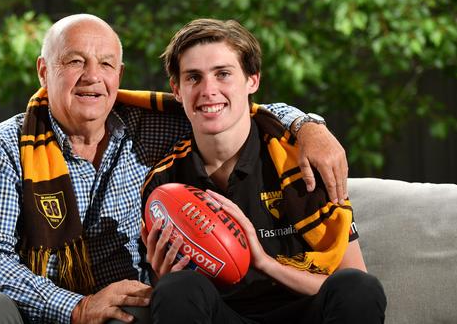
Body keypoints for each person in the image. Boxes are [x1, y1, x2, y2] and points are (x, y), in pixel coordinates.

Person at [0, 13, 351, 324]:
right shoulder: (1, 147)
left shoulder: (148, 128)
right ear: (43, 70)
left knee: (156, 301)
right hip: (30, 311)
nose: (92, 76)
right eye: (74, 61)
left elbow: (231, 108)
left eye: (106, 64)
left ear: (119, 76)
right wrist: (78, 307)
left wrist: (308, 126)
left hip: (121, 308)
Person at [141, 18, 386, 323]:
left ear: (252, 81)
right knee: (176, 287)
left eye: (223, 74)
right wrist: (162, 277)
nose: (208, 90)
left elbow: (349, 282)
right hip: (225, 316)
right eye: (194, 77)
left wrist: (262, 261)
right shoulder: (163, 183)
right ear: (176, 89)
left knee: (358, 287)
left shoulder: (305, 160)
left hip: (303, 313)